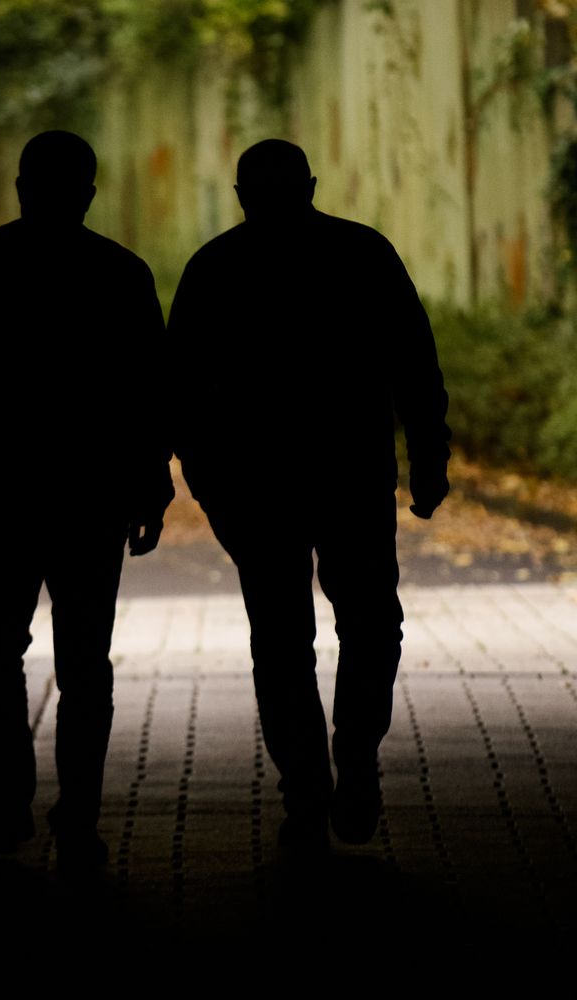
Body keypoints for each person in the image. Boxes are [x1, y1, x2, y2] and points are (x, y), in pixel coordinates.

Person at [167, 138, 450, 852]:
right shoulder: (363, 253)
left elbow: (180, 393)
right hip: (350, 474)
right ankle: (355, 757)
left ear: (239, 194)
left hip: (255, 486)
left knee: (282, 640)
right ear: (312, 184)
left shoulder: (215, 267)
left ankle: (305, 786)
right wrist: (428, 456)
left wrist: (205, 481)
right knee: (370, 623)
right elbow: (413, 361)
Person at [0, 130, 174, 863]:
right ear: (90, 193)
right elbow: (152, 394)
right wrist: (153, 481)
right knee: (86, 656)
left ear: (21, 186)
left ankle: (6, 801)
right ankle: (79, 814)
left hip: (3, 486)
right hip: (95, 491)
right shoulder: (121, 273)